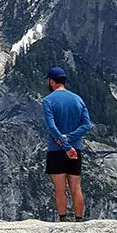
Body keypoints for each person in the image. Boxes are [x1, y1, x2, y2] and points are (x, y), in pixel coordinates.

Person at [43, 66, 92, 222]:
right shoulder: (78, 99)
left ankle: (63, 220)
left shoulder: (48, 101)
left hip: (56, 150)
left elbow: (52, 127)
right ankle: (79, 220)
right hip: (75, 149)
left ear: (51, 81)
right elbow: (86, 125)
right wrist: (70, 139)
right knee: (76, 187)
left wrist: (64, 143)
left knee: (59, 189)